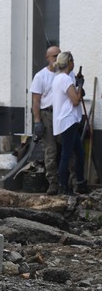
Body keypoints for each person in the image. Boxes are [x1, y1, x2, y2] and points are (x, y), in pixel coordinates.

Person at [51, 51, 88, 196]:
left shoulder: (58, 78)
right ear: (70, 62)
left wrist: (77, 85)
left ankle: (79, 183)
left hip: (65, 120)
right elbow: (75, 100)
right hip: (68, 120)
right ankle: (63, 187)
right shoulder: (65, 79)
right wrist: (79, 85)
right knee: (66, 154)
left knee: (80, 153)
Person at [30, 45, 63, 194]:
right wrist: (37, 121)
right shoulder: (40, 76)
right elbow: (36, 101)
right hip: (47, 114)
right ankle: (53, 183)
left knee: (67, 148)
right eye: (54, 56)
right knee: (51, 150)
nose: (57, 59)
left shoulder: (64, 74)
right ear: (47, 58)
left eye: (59, 55)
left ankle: (67, 182)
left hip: (62, 114)